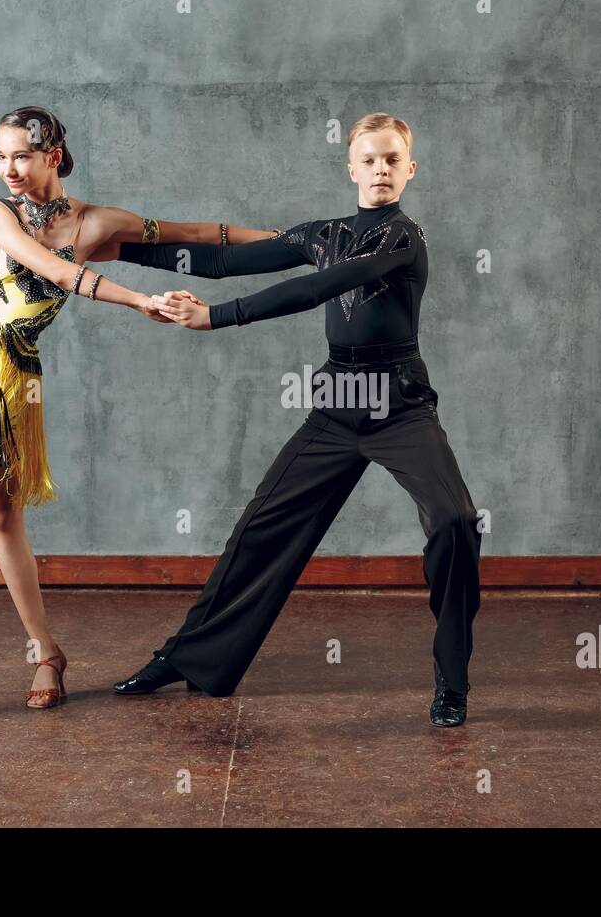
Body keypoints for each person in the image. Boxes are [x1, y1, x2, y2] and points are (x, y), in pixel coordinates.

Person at [0, 105, 271, 724]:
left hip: (18, 373)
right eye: (0, 156)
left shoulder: (96, 223)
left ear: (54, 157)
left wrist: (296, 241)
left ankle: (47, 653)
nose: (9, 168)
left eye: (21, 155)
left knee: (3, 514)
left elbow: (198, 235)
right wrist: (139, 300)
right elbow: (58, 272)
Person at [111, 113, 482, 726]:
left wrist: (216, 319)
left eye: (393, 160)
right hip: (338, 405)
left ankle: (453, 680)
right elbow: (224, 262)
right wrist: (119, 248)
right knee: (259, 530)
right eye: (370, 160)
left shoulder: (403, 238)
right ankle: (186, 658)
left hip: (399, 406)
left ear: (410, 169)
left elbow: (317, 290)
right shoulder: (322, 232)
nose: (381, 170)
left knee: (455, 522)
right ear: (351, 168)